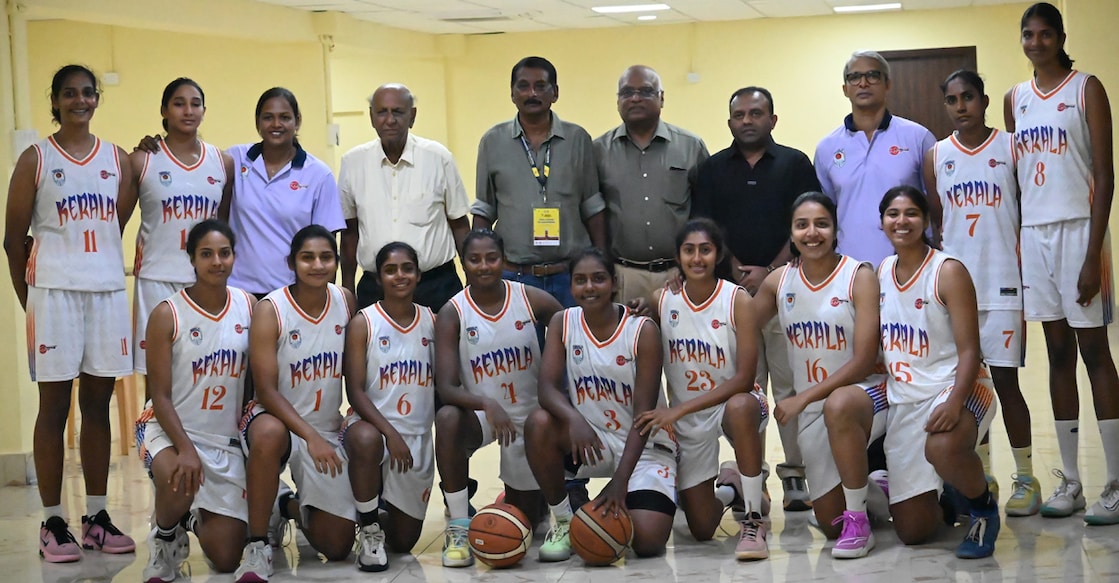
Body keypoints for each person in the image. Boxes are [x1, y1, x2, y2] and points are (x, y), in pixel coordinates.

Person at [3, 64, 137, 563]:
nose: (79, 100)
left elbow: (115, 224)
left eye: (87, 93)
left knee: (98, 406)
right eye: (69, 94)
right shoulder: (35, 158)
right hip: (53, 293)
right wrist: (28, 299)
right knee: (54, 408)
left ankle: (97, 517)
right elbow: (12, 240)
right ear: (55, 101)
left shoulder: (118, 160)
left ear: (97, 99)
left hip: (104, 290)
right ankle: (52, 521)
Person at [1005, 2, 1119, 524]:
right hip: (1035, 236)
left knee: (1095, 351)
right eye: (1028, 34)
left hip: (1079, 230)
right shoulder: (1015, 100)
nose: (1035, 42)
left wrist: (1094, 254)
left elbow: (1104, 174)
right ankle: (1071, 481)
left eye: (1044, 34)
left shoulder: (1086, 87)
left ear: (1060, 37)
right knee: (1056, 354)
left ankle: (1115, 481)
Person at [693, 86, 820, 511]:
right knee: (748, 391)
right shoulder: (711, 169)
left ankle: (796, 476)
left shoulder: (794, 163)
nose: (748, 120)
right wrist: (733, 269)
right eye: (740, 115)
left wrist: (772, 272)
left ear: (773, 119)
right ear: (730, 122)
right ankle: (755, 477)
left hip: (786, 292)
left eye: (756, 113)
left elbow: (804, 222)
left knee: (788, 385)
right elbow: (704, 227)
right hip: (731, 298)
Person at [926, 69, 1036, 516]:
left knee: (1007, 385)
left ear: (984, 100)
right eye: (951, 100)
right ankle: (983, 471)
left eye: (968, 97)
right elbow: (938, 222)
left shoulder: (1011, 146)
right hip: (958, 293)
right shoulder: (936, 155)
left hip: (1003, 284)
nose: (960, 106)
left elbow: (1027, 209)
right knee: (970, 386)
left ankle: (1026, 477)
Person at [754, 192, 888, 559]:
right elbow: (740, 325)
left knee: (840, 405)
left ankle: (860, 520)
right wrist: (667, 297)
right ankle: (877, 488)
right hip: (814, 409)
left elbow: (862, 361)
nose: (812, 233)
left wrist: (802, 398)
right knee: (829, 523)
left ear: (834, 229)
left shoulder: (858, 275)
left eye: (821, 224)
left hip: (866, 394)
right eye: (802, 225)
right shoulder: (779, 282)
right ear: (791, 233)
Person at [525, 247, 677, 561]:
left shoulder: (642, 331)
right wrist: (574, 419)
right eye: (580, 280)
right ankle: (564, 518)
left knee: (647, 542)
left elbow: (645, 418)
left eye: (598, 279)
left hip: (645, 447)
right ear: (570, 286)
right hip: (593, 440)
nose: (589, 287)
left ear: (613, 283)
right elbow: (546, 390)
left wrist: (620, 481)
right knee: (538, 423)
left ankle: (667, 485)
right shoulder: (562, 322)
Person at [636, 219, 770, 560]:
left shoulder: (737, 299)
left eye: (705, 250)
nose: (697, 258)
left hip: (737, 402)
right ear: (678, 257)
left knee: (740, 407)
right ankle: (731, 486)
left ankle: (753, 518)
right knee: (701, 527)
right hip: (690, 417)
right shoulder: (661, 300)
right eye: (689, 250)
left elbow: (744, 378)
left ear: (718, 254)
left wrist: (677, 410)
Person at [877, 185, 1000, 559]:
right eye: (893, 214)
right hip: (906, 397)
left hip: (961, 386)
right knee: (913, 533)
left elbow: (970, 351)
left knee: (942, 446)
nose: (902, 221)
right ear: (882, 222)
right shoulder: (882, 272)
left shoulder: (947, 271)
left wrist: (955, 401)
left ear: (927, 220)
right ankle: (950, 492)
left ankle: (983, 508)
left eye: (911, 213)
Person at [433, 229, 563, 567]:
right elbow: (446, 387)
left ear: (503, 260)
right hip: (483, 417)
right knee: (447, 419)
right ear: (463, 264)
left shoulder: (529, 298)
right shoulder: (453, 312)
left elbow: (566, 325)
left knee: (527, 523)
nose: (484, 265)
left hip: (531, 418)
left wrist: (555, 377)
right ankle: (459, 525)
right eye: (474, 259)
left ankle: (522, 496)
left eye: (491, 258)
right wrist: (487, 404)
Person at [235, 225, 358, 582]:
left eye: (325, 257)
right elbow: (267, 390)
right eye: (307, 257)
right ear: (292, 262)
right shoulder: (270, 309)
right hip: (273, 420)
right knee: (271, 433)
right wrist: (309, 437)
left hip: (324, 424)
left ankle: (284, 504)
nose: (317, 265)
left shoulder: (345, 300)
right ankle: (257, 544)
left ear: (336, 262)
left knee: (336, 547)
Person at [135, 219, 252, 580]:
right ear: (192, 260)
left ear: (234, 257)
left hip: (222, 439)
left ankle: (187, 516)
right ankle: (165, 535)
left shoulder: (248, 306)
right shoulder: (167, 314)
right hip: (169, 430)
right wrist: (185, 448)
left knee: (228, 557)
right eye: (206, 254)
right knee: (178, 475)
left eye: (224, 253)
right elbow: (160, 395)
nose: (217, 261)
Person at [472, 56, 606, 307]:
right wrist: (478, 271)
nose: (532, 93)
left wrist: (601, 264)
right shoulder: (492, 141)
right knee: (520, 347)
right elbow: (484, 211)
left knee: (573, 345)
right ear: (512, 94)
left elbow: (593, 207)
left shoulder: (578, 139)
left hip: (571, 277)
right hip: (515, 276)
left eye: (540, 86)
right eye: (523, 86)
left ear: (554, 93)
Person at [341, 241, 436, 572]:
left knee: (403, 542)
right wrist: (390, 433)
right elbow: (355, 393)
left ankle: (369, 506)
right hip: (372, 428)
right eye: (390, 270)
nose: (400, 275)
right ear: (379, 277)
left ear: (418, 275)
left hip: (417, 437)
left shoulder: (433, 322)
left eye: (407, 268)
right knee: (367, 441)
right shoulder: (363, 323)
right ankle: (368, 526)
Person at [130, 78, 233, 378]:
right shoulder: (142, 160)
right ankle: (152, 428)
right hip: (156, 278)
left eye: (195, 103)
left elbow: (221, 224)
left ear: (204, 110)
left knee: (204, 373)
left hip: (204, 282)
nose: (188, 111)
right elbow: (116, 222)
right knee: (158, 378)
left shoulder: (222, 162)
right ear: (164, 110)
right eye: (178, 103)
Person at [339, 83, 469, 311]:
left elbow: (459, 225)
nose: (390, 120)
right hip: (375, 289)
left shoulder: (439, 158)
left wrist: (471, 284)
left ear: (412, 116)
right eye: (382, 112)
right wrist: (347, 289)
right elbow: (350, 233)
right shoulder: (352, 163)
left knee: (444, 347)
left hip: (436, 287)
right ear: (371, 117)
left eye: (398, 112)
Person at [594, 65, 709, 306]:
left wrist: (690, 265)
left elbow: (706, 211)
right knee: (627, 343)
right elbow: (593, 214)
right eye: (626, 92)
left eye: (645, 91)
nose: (635, 98)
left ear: (662, 98)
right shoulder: (598, 151)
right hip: (623, 276)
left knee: (680, 344)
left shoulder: (691, 146)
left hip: (679, 276)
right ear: (617, 101)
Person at [814, 51, 936, 268]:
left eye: (872, 75)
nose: (863, 83)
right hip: (848, 268)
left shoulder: (918, 138)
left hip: (912, 267)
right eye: (854, 77)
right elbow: (828, 210)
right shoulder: (826, 148)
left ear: (887, 84)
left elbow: (936, 207)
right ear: (845, 89)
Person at [226, 88, 345, 298]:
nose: (276, 124)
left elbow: (327, 246)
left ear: (297, 121)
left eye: (284, 117)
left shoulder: (318, 175)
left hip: (291, 295)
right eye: (268, 117)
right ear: (257, 122)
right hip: (238, 293)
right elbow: (195, 160)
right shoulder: (235, 159)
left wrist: (324, 302)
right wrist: (156, 147)